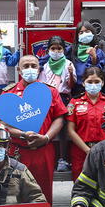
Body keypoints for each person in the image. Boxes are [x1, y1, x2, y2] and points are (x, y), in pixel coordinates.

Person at [1, 55, 67, 205]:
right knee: (15, 193)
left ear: (39, 69)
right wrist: (22, 134)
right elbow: (1, 123)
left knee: (43, 191)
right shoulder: (8, 93)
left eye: (33, 66)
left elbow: (59, 118)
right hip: (17, 152)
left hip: (44, 150)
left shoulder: (50, 91)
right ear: (19, 69)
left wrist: (47, 137)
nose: (30, 69)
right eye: (26, 66)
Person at [66, 67, 105, 182]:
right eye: (89, 82)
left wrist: (102, 149)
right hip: (80, 152)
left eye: (97, 82)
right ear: (83, 83)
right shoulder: (74, 103)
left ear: (102, 83)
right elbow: (70, 130)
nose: (93, 85)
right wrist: (87, 150)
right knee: (81, 185)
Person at [39, 35, 76, 173]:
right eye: (53, 48)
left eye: (59, 48)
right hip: (48, 98)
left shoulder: (68, 64)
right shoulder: (45, 65)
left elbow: (71, 85)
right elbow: (42, 84)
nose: (56, 51)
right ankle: (50, 158)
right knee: (48, 128)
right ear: (48, 49)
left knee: (63, 130)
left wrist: (71, 74)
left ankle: (62, 159)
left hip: (64, 98)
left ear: (64, 50)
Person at [67, 22, 105, 96]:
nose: (84, 34)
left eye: (87, 31)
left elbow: (99, 72)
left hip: (93, 89)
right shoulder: (71, 50)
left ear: (92, 33)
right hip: (75, 90)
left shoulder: (98, 51)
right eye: (81, 32)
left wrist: (94, 57)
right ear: (77, 36)